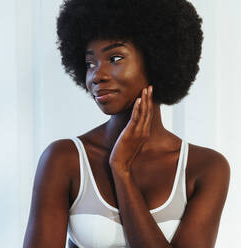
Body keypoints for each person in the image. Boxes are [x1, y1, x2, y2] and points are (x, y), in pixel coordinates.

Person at [23, 0, 230, 247]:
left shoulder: (205, 168)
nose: (97, 75)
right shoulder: (64, 159)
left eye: (115, 58)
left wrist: (121, 170)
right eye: (90, 63)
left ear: (157, 58)